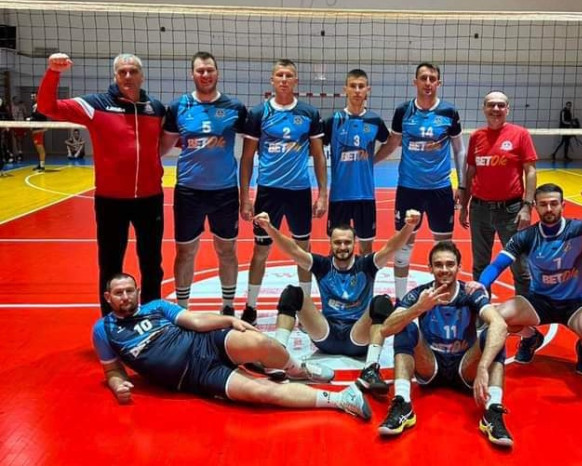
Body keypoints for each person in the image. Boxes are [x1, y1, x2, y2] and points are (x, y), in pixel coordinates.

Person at [91, 273, 371, 420]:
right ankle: (340, 399)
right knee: (261, 392)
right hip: (195, 376)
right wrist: (117, 385)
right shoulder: (104, 330)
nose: (125, 296)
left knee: (260, 342)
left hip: (204, 342)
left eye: (130, 291)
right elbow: (112, 371)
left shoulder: (155, 307)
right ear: (108, 297)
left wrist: (229, 320)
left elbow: (194, 320)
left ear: (138, 292)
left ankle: (297, 369)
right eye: (119, 293)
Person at [38, 52, 166, 316]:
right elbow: (47, 107)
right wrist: (53, 72)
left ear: (142, 76)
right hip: (111, 201)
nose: (128, 76)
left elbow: (168, 140)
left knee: (152, 262)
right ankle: (110, 320)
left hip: (150, 198)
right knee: (110, 263)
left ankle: (154, 317)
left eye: (133, 71)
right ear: (115, 76)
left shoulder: (155, 108)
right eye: (122, 72)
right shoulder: (96, 105)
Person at [253, 209, 422, 395]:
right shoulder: (322, 265)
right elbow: (293, 250)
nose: (342, 247)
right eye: (338, 242)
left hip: (357, 337)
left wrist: (409, 226)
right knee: (292, 293)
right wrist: (269, 228)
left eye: (347, 242)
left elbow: (391, 247)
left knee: (382, 302)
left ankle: (370, 369)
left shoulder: (366, 264)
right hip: (326, 335)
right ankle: (278, 355)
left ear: (354, 243)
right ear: (331, 243)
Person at [473, 183, 582, 375]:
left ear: (562, 205)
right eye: (543, 204)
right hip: (540, 301)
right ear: (535, 206)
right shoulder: (526, 236)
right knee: (498, 317)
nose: (549, 209)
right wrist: (481, 284)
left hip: (576, 302)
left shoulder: (580, 229)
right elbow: (498, 265)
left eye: (554, 203)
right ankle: (530, 338)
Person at [378, 241, 512, 447]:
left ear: (459, 267)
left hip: (465, 365)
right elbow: (386, 329)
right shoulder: (420, 294)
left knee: (494, 334)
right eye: (438, 265)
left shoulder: (470, 293)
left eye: (450, 264)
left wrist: (483, 367)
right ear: (430, 268)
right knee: (405, 327)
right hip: (430, 364)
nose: (444, 269)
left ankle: (493, 412)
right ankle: (403, 403)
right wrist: (418, 308)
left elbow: (500, 324)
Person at [239, 58, 327, 325]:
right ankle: (250, 306)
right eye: (280, 75)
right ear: (272, 80)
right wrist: (245, 197)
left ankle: (306, 310)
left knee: (303, 251)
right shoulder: (259, 113)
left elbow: (319, 156)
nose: (284, 79)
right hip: (269, 192)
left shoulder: (308, 113)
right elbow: (247, 157)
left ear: (296, 80)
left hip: (299, 191)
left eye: (289, 75)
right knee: (261, 250)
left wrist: (322, 194)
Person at [161, 52, 247, 315]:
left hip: (225, 192)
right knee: (185, 252)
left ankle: (228, 306)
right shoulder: (178, 107)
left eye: (210, 70)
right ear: (192, 74)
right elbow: (161, 148)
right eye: (200, 70)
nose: (205, 75)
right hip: (189, 192)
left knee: (227, 250)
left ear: (217, 73)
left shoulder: (235, 108)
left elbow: (254, 144)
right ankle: (183, 309)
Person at [374, 62, 466, 301]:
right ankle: (401, 300)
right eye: (423, 78)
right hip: (409, 188)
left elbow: (459, 149)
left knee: (444, 247)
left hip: (440, 189)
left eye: (432, 79)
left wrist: (462, 184)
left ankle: (445, 297)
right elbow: (393, 143)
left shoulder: (449, 112)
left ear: (438, 83)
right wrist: (370, 162)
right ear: (415, 82)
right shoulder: (403, 111)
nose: (428, 83)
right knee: (403, 245)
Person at [459, 91, 536, 295]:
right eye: (491, 105)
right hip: (479, 209)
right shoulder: (476, 136)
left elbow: (530, 171)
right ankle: (482, 308)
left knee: (519, 266)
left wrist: (527, 207)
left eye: (501, 105)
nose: (496, 109)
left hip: (511, 211)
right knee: (480, 265)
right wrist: (464, 206)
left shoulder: (520, 134)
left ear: (507, 109)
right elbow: (471, 172)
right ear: (484, 108)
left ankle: (524, 309)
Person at [323, 69, 391, 255]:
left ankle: (362, 276)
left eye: (361, 86)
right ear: (345, 89)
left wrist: (374, 160)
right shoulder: (333, 121)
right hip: (339, 196)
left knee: (366, 249)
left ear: (368, 89)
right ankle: (334, 275)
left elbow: (391, 141)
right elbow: (316, 148)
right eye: (353, 86)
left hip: (365, 195)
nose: (357, 90)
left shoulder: (374, 120)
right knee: (336, 248)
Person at [27, 93, 48, 171]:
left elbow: (43, 118)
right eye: (31, 96)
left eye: (34, 96)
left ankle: (42, 166)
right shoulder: (34, 107)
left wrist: (42, 129)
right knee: (38, 150)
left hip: (38, 131)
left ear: (38, 97)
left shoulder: (41, 106)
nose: (32, 98)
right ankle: (40, 164)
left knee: (41, 149)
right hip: (35, 131)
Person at [10, 96, 28, 162]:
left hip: (21, 124)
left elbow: (25, 115)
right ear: (13, 100)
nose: (17, 101)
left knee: (20, 139)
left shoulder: (21, 106)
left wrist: (25, 127)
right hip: (13, 124)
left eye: (17, 99)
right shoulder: (11, 107)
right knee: (14, 139)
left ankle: (20, 153)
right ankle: (14, 154)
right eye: (15, 99)